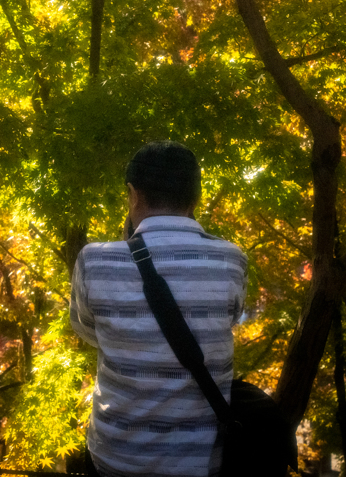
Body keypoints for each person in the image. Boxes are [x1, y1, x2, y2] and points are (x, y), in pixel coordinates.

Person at [69, 141, 248, 477]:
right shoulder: (231, 259)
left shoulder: (94, 260)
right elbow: (230, 321)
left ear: (133, 195)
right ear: (195, 197)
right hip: (201, 461)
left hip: (116, 457)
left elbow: (88, 332)